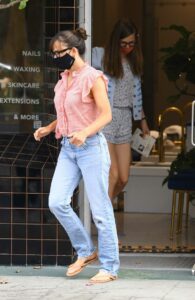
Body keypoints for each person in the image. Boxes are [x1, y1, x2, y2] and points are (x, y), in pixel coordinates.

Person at [34, 28, 119, 283]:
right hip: (69, 149)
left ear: (72, 51)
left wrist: (85, 132)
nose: (55, 58)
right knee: (57, 201)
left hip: (91, 147)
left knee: (100, 210)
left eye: (58, 53)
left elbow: (106, 114)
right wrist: (49, 128)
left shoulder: (92, 77)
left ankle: (110, 267)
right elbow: (67, 112)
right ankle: (86, 251)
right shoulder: (64, 78)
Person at [92, 18, 150, 202]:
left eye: (132, 43)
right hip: (107, 119)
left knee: (124, 178)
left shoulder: (134, 62)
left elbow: (135, 95)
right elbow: (82, 63)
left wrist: (143, 121)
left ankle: (101, 208)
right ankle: (104, 222)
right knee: (113, 175)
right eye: (123, 43)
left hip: (125, 119)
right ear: (115, 40)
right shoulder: (102, 56)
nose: (127, 47)